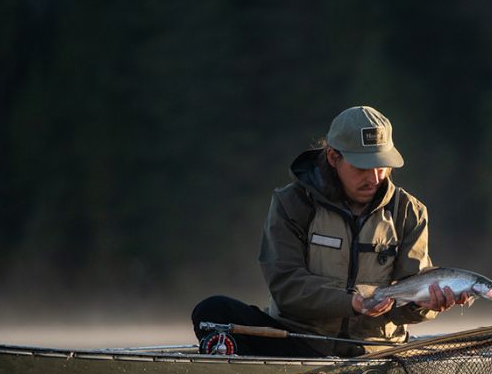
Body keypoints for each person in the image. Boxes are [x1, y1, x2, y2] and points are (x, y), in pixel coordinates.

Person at [191, 106, 470, 357]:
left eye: (381, 166)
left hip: (374, 353)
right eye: (362, 167)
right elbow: (286, 286)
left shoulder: (409, 211)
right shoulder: (292, 203)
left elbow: (405, 304)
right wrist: (351, 302)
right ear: (333, 157)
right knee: (213, 311)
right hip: (299, 343)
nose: (374, 179)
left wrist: (428, 306)